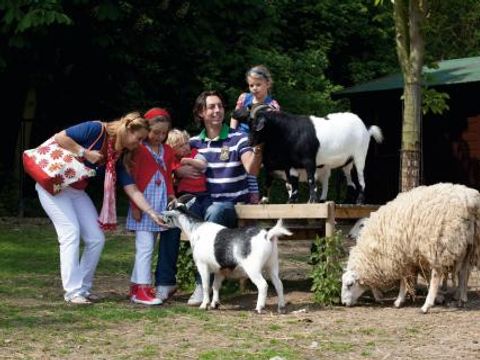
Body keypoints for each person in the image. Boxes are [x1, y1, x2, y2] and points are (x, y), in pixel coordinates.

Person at [35, 112, 164, 304]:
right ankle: (72, 292)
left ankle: (84, 289)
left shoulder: (118, 155)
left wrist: (151, 212)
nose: (139, 144)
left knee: (96, 238)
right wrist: (85, 153)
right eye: (138, 138)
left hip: (76, 191)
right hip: (53, 186)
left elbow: (132, 189)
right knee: (70, 233)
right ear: (128, 129)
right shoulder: (96, 129)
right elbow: (61, 137)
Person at [176, 90, 263, 305]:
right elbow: (170, 164)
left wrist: (258, 151)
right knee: (178, 213)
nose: (217, 111)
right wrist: (177, 172)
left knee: (215, 211)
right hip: (203, 203)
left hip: (229, 206)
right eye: (211, 107)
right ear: (201, 113)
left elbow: (251, 169)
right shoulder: (194, 143)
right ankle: (164, 282)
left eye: (220, 106)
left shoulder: (237, 138)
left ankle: (201, 286)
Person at [119, 107, 179, 305]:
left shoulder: (167, 151)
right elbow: (132, 179)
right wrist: (134, 206)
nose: (160, 137)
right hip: (143, 204)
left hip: (160, 204)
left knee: (149, 247)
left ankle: (137, 286)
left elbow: (168, 175)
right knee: (144, 247)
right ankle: (142, 289)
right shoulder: (138, 149)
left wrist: (171, 193)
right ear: (147, 129)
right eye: (156, 132)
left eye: (164, 133)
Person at [229, 65, 280, 204]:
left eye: (258, 84)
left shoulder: (272, 104)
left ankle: (253, 195)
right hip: (240, 137)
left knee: (251, 165)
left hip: (258, 140)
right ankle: (234, 193)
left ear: (267, 84)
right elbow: (235, 116)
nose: (254, 88)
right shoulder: (244, 98)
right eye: (251, 85)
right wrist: (232, 134)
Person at [166, 128, 212, 215]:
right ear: (173, 149)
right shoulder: (173, 160)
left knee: (208, 210)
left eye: (186, 143)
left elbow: (203, 165)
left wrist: (188, 161)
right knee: (193, 212)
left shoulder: (194, 153)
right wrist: (177, 172)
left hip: (203, 192)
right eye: (180, 146)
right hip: (185, 194)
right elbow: (170, 176)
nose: (185, 148)